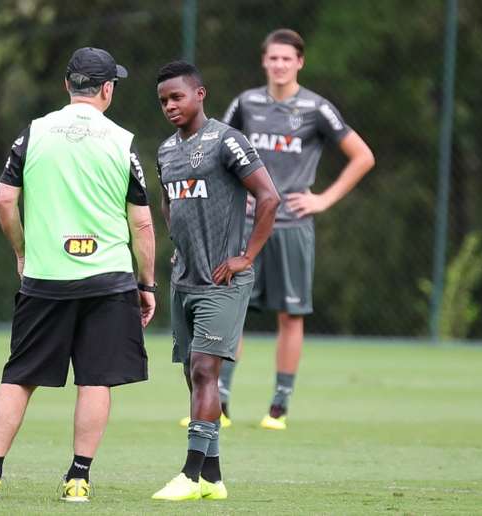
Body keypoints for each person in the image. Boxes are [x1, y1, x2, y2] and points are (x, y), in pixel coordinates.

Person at [0, 47, 156, 503]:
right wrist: (146, 284)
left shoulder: (31, 135)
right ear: (107, 89)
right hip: (108, 279)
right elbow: (143, 224)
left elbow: (2, 201)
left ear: (67, 87)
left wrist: (22, 251)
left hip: (45, 277)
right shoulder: (122, 140)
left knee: (19, 377)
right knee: (96, 379)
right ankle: (78, 479)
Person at [220, 28, 375, 430]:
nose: (279, 65)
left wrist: (323, 199)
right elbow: (216, 149)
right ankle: (217, 402)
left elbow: (363, 156)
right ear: (264, 61)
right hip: (247, 226)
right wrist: (238, 192)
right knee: (231, 309)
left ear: (300, 62)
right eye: (273, 58)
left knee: (290, 315)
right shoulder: (246, 103)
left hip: (291, 225)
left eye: (287, 58)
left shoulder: (316, 109)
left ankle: (279, 407)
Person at [151, 61, 280, 501]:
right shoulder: (166, 151)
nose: (170, 105)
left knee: (206, 370)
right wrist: (177, 242)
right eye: (164, 100)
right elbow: (170, 204)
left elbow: (269, 196)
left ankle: (188, 476)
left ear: (199, 94)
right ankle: (212, 478)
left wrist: (247, 255)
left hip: (222, 281)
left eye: (177, 97)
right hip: (184, 279)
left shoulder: (228, 140)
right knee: (194, 375)